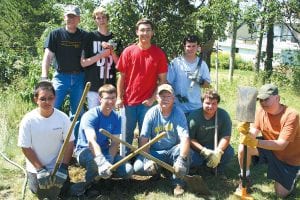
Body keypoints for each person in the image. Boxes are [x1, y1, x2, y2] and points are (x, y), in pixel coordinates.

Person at [238, 84, 300, 198]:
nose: (263, 103)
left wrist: (255, 142)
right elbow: (254, 132)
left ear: (277, 98)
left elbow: (281, 145)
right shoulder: (261, 112)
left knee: (281, 194)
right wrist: (246, 132)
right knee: (243, 146)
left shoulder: (291, 115)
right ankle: (244, 179)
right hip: (269, 149)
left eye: (266, 99)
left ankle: (295, 174)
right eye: (260, 100)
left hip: (289, 159)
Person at [116, 18, 168, 153]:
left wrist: (152, 99)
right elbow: (121, 77)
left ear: (152, 33)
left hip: (148, 103)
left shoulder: (159, 54)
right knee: (126, 134)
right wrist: (118, 97)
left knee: (145, 135)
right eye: (142, 30)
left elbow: (162, 81)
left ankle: (143, 160)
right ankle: (124, 161)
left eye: (148, 30)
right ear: (137, 32)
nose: (145, 33)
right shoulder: (128, 51)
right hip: (128, 102)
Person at [18, 81, 74, 200]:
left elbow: (69, 143)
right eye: (43, 99)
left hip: (57, 166)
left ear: (55, 98)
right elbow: (25, 147)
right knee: (39, 192)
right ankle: (33, 177)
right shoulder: (28, 120)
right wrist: (40, 169)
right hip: (36, 166)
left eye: (50, 98)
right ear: (36, 100)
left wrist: (64, 167)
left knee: (63, 191)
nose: (47, 102)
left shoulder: (63, 118)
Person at [73, 84, 133, 193]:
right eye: (107, 98)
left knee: (128, 171)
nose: (111, 101)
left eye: (113, 98)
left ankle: (105, 176)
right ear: (100, 99)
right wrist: (101, 161)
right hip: (85, 150)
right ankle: (90, 184)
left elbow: (115, 143)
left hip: (105, 150)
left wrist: (109, 159)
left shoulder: (117, 117)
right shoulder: (91, 116)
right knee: (94, 162)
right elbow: (92, 141)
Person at [133, 84, 190, 196]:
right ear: (157, 98)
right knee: (138, 167)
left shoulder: (178, 113)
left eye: (168, 96)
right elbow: (143, 138)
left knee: (185, 152)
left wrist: (182, 159)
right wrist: (147, 158)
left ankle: (178, 182)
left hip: (172, 150)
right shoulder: (151, 113)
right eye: (162, 96)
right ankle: (157, 171)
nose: (165, 99)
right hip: (155, 152)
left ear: (173, 99)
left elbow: (185, 137)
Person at [41, 5, 87, 116]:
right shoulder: (55, 34)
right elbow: (47, 56)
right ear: (64, 18)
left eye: (74, 16)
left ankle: (73, 133)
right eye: (68, 16)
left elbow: (88, 57)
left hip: (79, 78)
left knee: (78, 113)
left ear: (79, 19)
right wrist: (44, 78)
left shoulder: (85, 36)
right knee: (50, 107)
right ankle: (48, 132)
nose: (70, 19)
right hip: (60, 78)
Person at [81, 7, 121, 109]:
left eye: (103, 17)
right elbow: (83, 63)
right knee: (94, 116)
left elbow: (120, 65)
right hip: (93, 86)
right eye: (98, 18)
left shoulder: (115, 38)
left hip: (110, 87)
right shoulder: (89, 37)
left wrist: (111, 51)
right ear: (95, 20)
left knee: (109, 116)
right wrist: (101, 55)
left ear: (107, 19)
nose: (101, 20)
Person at [188, 90, 234, 178]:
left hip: (215, 145)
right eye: (207, 103)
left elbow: (226, 137)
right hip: (198, 148)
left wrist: (218, 152)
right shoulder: (194, 117)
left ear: (217, 104)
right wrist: (203, 151)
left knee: (229, 152)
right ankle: (197, 169)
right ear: (202, 103)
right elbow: (190, 139)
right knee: (193, 158)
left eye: (214, 103)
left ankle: (218, 169)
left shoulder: (223, 115)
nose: (211, 106)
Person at [167, 34, 211, 116]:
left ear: (198, 47)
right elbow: (168, 83)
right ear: (184, 47)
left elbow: (207, 85)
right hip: (178, 107)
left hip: (195, 107)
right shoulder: (176, 63)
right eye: (188, 46)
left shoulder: (202, 64)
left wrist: (199, 80)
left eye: (193, 46)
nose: (191, 49)